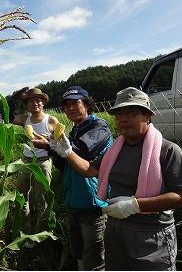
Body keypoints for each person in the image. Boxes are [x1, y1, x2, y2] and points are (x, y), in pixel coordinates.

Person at [95, 87, 182, 270]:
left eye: (131, 113)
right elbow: (90, 169)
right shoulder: (113, 151)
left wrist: (134, 205)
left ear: (148, 116)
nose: (123, 119)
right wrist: (64, 150)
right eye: (118, 114)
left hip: (151, 237)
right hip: (115, 232)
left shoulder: (168, 150)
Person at [32, 86, 113, 270]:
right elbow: (66, 165)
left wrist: (54, 145)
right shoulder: (73, 132)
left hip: (93, 204)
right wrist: (49, 148)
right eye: (66, 105)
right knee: (79, 252)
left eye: (75, 103)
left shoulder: (98, 126)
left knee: (94, 257)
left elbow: (83, 152)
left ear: (86, 104)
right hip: (74, 203)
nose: (70, 108)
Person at [8, 87, 59, 234]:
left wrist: (48, 142)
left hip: (43, 163)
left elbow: (59, 143)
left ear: (43, 103)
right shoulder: (25, 119)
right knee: (21, 199)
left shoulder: (51, 120)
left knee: (41, 200)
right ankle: (24, 230)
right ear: (27, 105)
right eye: (31, 101)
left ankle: (39, 234)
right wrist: (14, 100)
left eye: (38, 100)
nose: (35, 103)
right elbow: (9, 118)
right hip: (25, 162)